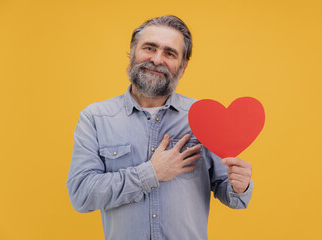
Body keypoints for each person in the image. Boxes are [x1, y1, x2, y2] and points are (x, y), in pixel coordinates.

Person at [67, 15, 254, 240]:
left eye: (169, 53)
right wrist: (151, 173)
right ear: (132, 53)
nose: (156, 59)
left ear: (182, 67)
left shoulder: (204, 117)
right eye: (149, 48)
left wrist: (239, 186)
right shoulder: (96, 118)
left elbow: (230, 193)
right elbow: (81, 195)